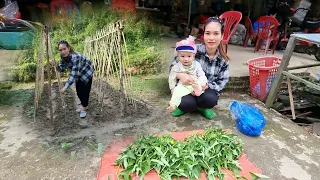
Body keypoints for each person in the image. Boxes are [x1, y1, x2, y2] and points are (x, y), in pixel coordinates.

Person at [169, 16, 230, 120]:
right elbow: (172, 68)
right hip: (186, 87)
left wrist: (204, 86)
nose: (211, 37)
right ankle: (185, 107)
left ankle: (202, 108)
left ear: (222, 36)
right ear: (203, 35)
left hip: (205, 90)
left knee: (210, 99)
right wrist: (181, 75)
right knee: (186, 104)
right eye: (208, 33)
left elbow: (221, 83)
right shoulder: (191, 50)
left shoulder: (223, 60)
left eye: (216, 33)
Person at [55, 40, 94, 118]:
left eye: (64, 49)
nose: (63, 51)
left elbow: (73, 74)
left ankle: (84, 108)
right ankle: (83, 105)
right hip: (78, 74)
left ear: (68, 48)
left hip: (86, 73)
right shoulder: (62, 57)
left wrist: (65, 87)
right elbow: (62, 69)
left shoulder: (76, 57)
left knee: (85, 92)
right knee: (79, 91)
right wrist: (57, 66)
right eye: (60, 50)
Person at [167, 36, 208, 112]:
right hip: (183, 85)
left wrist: (203, 82)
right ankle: (173, 105)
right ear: (178, 56)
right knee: (177, 93)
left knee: (200, 81)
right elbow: (171, 78)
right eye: (182, 56)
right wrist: (172, 88)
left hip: (194, 82)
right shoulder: (176, 67)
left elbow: (201, 74)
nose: (186, 59)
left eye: (189, 56)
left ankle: (198, 90)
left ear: (193, 56)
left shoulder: (197, 64)